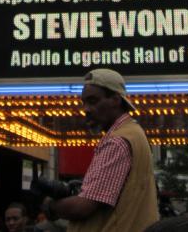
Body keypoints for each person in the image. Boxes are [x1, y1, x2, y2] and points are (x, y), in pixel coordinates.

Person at [51, 68, 160, 231]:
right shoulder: (133, 133)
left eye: (93, 101)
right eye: (84, 103)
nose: (86, 109)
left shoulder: (117, 141)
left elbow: (83, 207)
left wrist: (50, 207)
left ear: (116, 99)